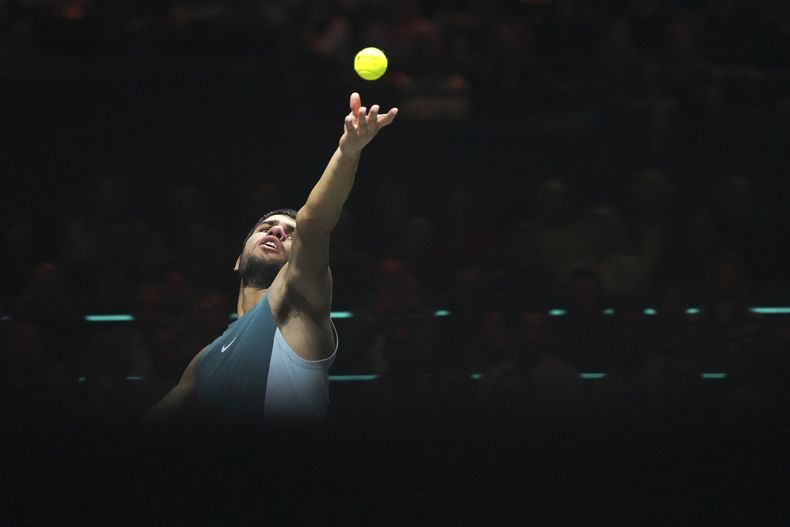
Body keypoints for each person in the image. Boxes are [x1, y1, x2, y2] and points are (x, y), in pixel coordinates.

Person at [144, 92, 398, 427]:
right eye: (267, 227)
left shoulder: (298, 303)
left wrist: (346, 152)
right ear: (237, 260)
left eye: (288, 233)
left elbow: (314, 223)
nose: (277, 232)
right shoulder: (203, 362)